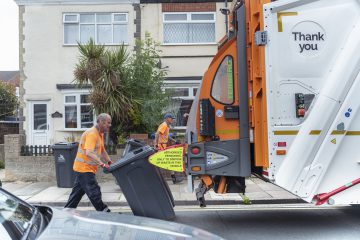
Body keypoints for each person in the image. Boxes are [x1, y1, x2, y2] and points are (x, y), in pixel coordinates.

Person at [64, 113, 113, 212]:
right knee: (94, 192)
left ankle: (66, 212)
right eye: (108, 123)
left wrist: (109, 161)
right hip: (84, 169)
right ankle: (105, 212)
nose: (110, 125)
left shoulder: (100, 133)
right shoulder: (92, 134)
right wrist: (102, 164)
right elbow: (89, 152)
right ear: (102, 122)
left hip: (85, 168)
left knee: (76, 194)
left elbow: (102, 150)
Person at [154, 113, 182, 183]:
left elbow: (167, 136)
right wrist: (155, 144)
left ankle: (174, 179)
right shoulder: (164, 125)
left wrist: (175, 141)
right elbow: (157, 134)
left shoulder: (166, 126)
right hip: (161, 146)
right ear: (167, 118)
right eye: (171, 118)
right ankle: (172, 179)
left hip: (163, 145)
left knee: (167, 162)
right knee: (165, 162)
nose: (172, 120)